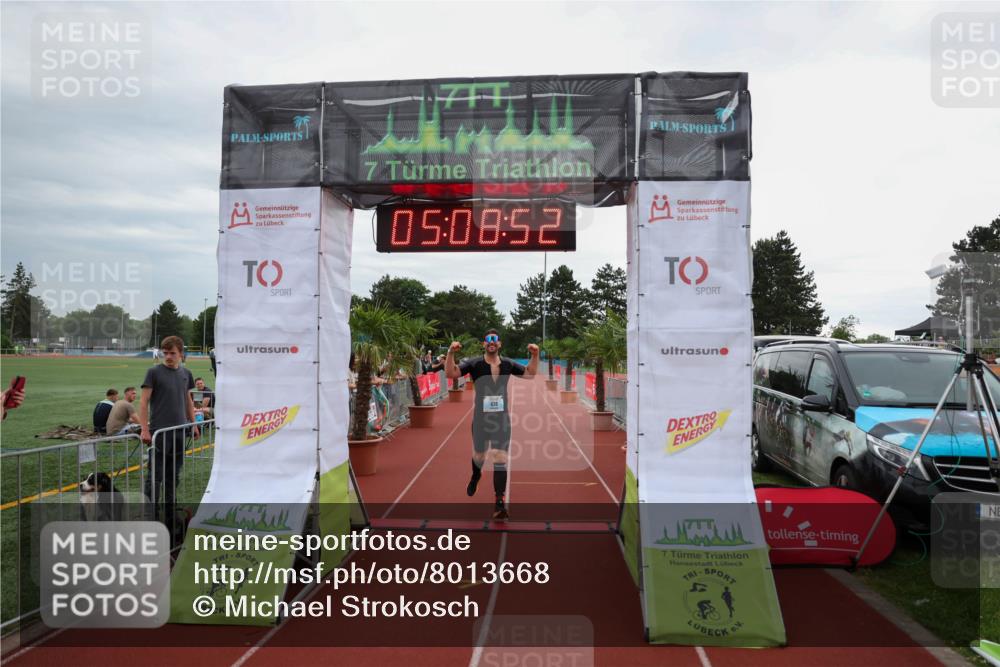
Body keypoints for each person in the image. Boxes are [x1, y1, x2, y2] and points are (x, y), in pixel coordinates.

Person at [446, 329, 538, 520]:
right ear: (484, 344)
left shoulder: (508, 364)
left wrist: (535, 355)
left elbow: (530, 374)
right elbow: (451, 373)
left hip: (501, 419)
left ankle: (499, 502)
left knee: (499, 456)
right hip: (481, 419)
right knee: (479, 456)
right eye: (488, 339)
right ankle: (476, 475)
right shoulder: (474, 364)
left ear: (499, 344)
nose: (491, 342)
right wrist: (450, 352)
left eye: (495, 339)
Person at [140, 336, 198, 542]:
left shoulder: (186, 374)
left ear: (181, 353)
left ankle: (171, 514)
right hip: (159, 433)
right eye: (165, 353)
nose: (169, 357)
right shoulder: (154, 372)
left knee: (173, 476)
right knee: (154, 477)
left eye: (173, 353)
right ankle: (150, 516)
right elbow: (144, 401)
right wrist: (144, 429)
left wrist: (193, 424)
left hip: (179, 432)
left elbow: (188, 401)